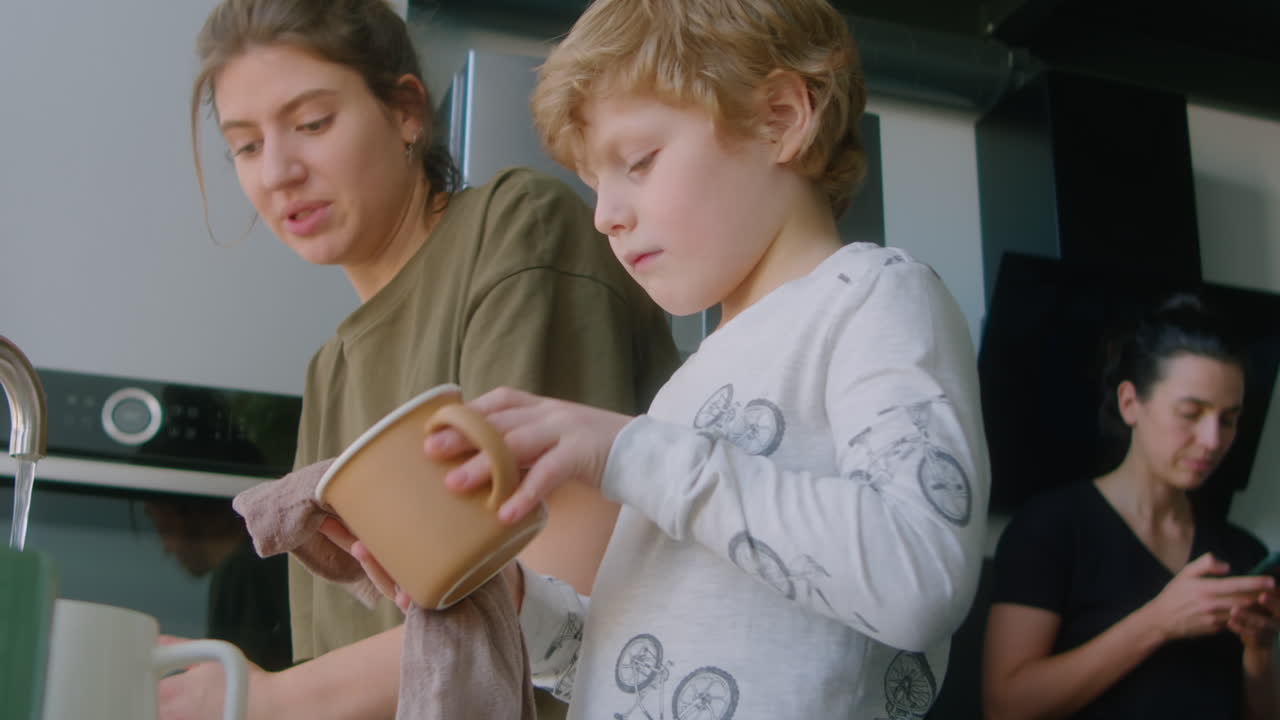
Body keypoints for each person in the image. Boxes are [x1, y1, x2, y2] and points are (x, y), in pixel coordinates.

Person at [356, 0, 991, 716]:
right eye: (596, 186)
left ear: (780, 117)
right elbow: (633, 662)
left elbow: (920, 577)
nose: (604, 216)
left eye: (638, 163)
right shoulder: (689, 387)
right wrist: (509, 604)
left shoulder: (874, 297)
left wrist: (630, 449)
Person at [159, 0, 680, 718]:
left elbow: (564, 588)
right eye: (245, 146)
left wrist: (270, 698)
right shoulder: (330, 369)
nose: (278, 171)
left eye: (312, 123)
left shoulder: (518, 230)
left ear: (407, 112)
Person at [983, 293, 1280, 720]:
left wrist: (1260, 654)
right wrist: (1159, 622)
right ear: (1130, 403)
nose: (1214, 441)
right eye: (1191, 413)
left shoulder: (1242, 554)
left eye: (1228, 419)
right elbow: (1004, 707)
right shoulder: (1052, 529)